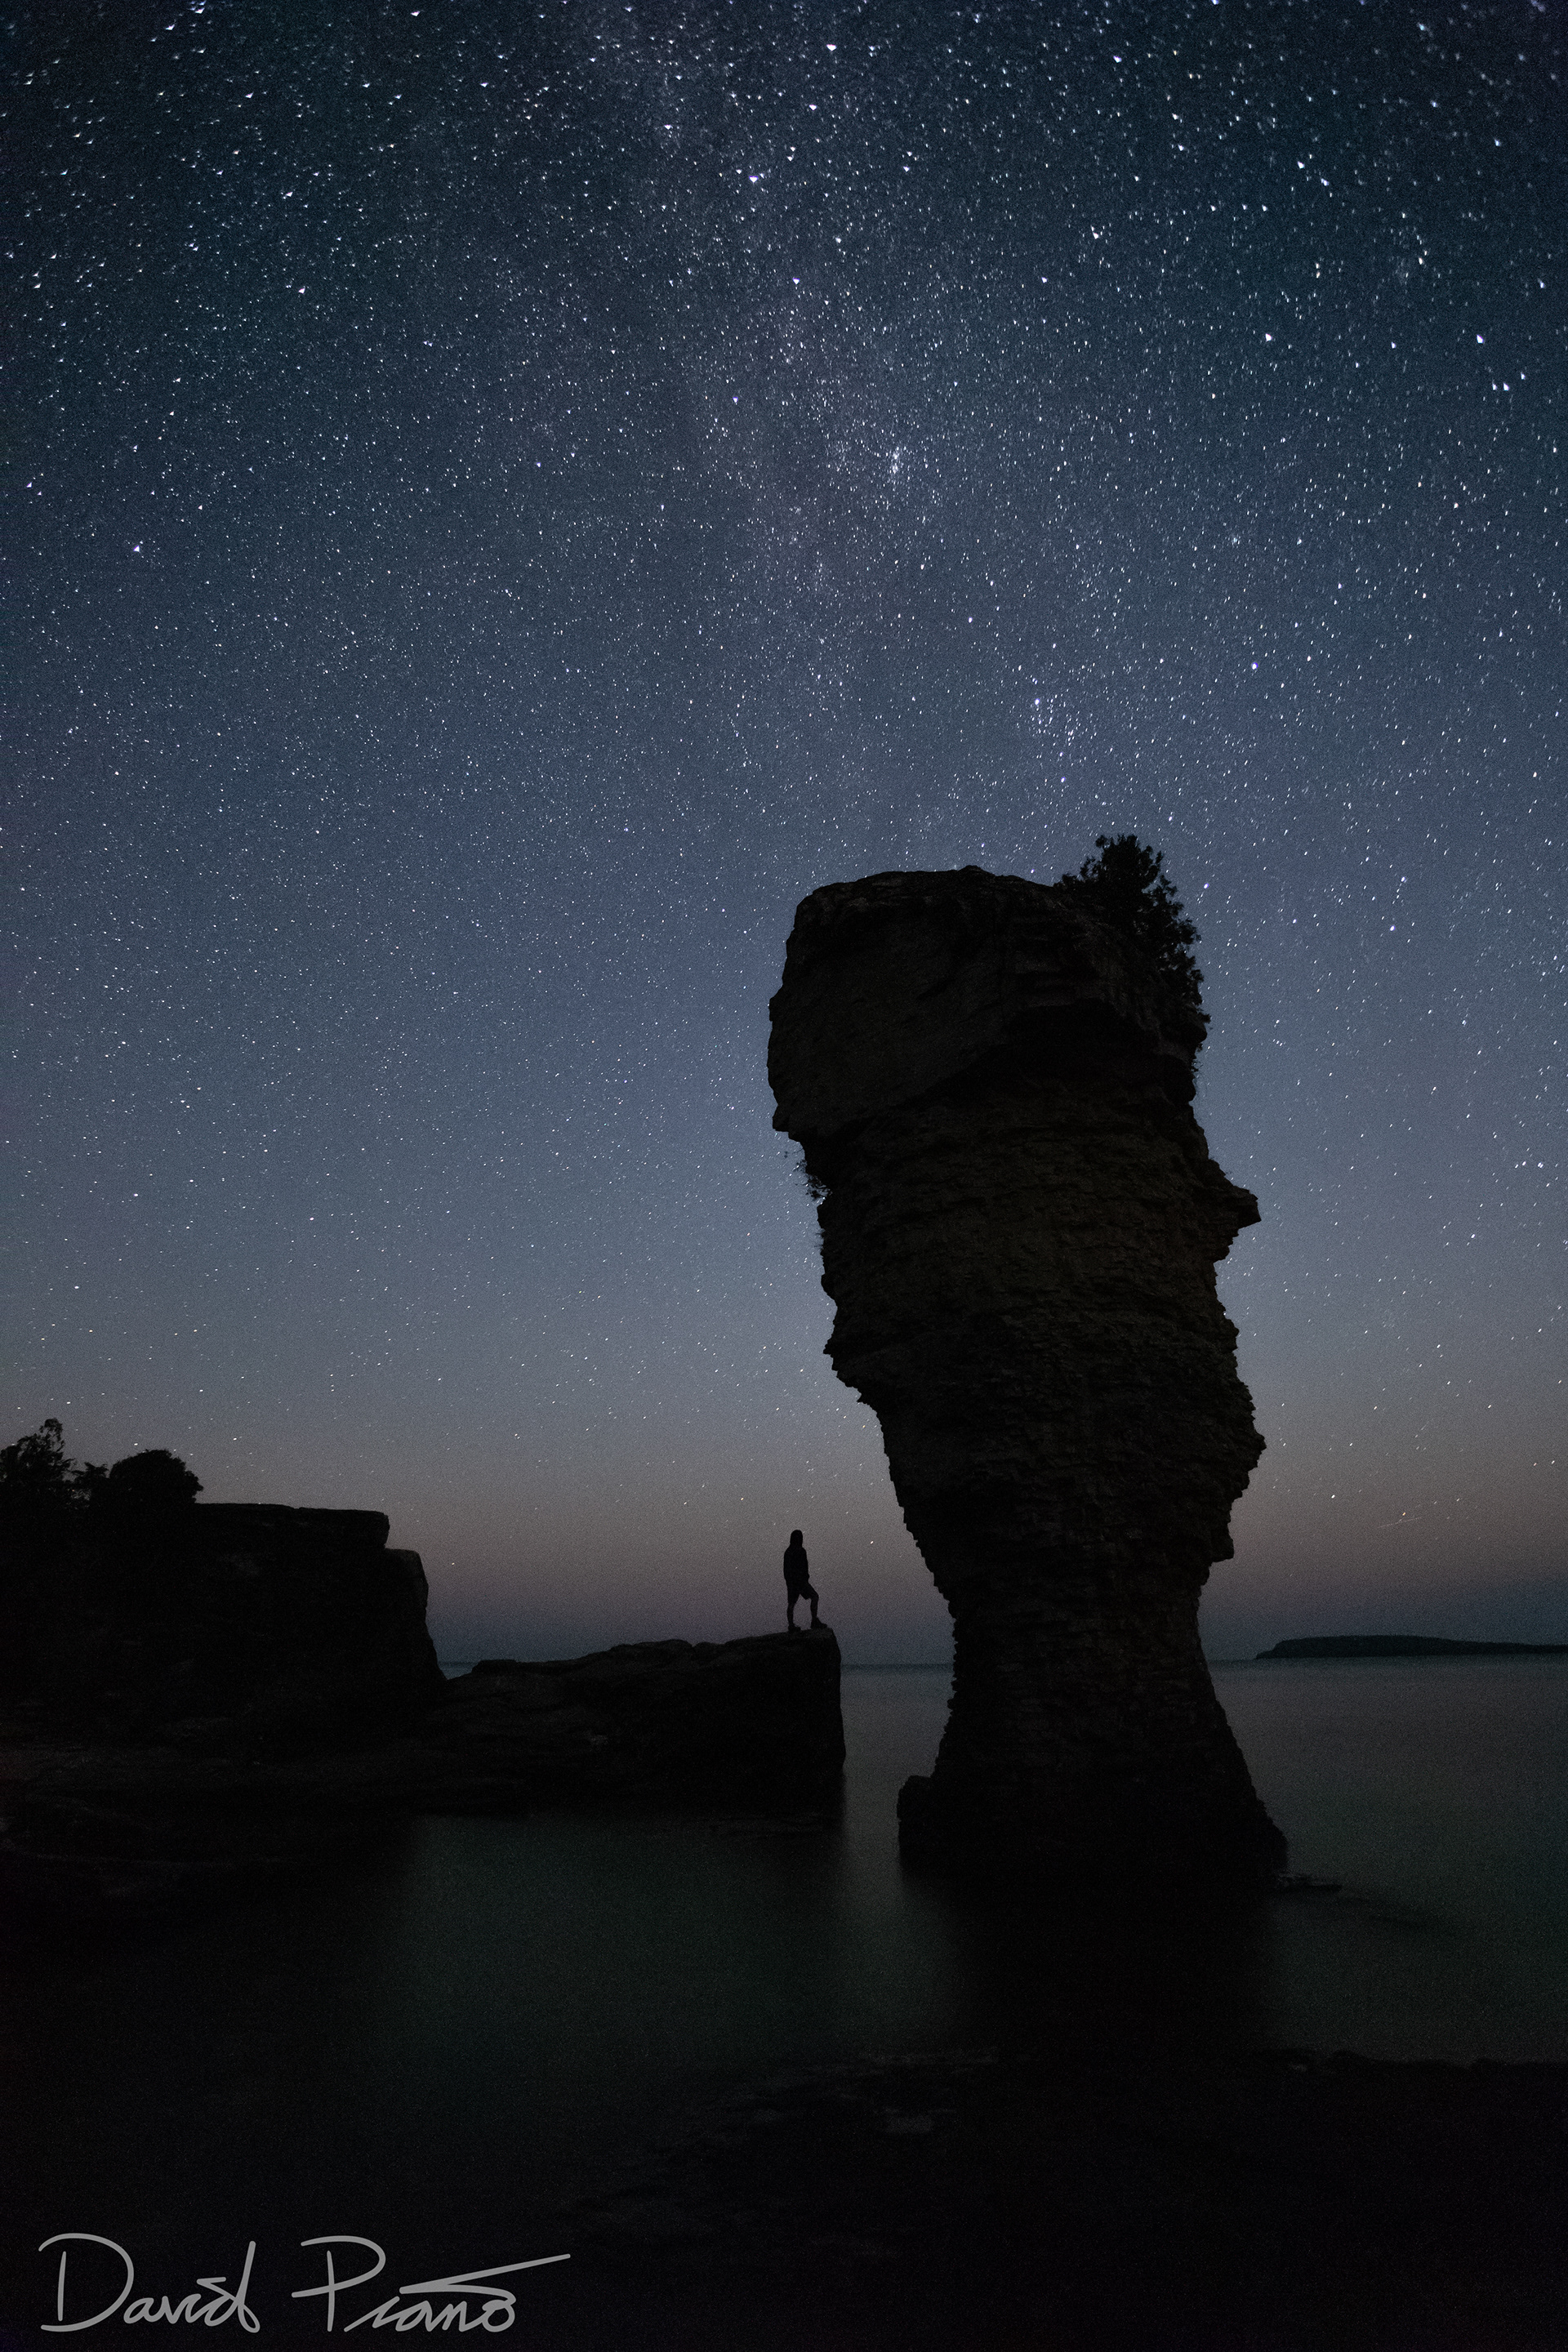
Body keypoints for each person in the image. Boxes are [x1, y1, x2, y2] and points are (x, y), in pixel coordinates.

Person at [782, 1529, 819, 1633]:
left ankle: (793, 1625)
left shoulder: (790, 1552)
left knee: (792, 1603)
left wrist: (791, 1581)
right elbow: (792, 1569)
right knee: (813, 1597)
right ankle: (813, 1620)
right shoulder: (797, 1551)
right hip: (798, 1582)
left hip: (796, 1582)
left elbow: (788, 1569)